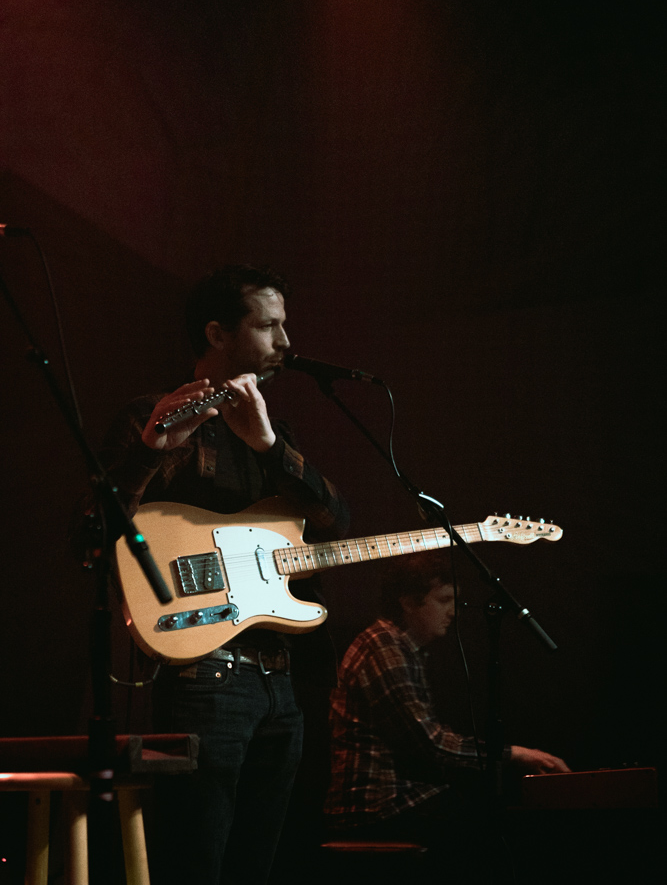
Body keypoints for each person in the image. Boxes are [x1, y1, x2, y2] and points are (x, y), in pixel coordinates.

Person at [98, 264, 349, 885]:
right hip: (202, 675)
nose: (285, 343)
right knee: (197, 860)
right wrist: (151, 450)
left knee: (256, 863)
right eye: (268, 325)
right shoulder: (145, 415)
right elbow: (90, 534)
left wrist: (267, 445)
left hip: (280, 681)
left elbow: (333, 521)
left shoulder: (271, 432)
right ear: (217, 332)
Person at [325, 551, 569, 880]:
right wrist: (514, 755)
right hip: (378, 803)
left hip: (395, 797)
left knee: (499, 814)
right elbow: (430, 743)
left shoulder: (402, 648)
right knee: (504, 827)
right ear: (409, 602)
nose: (453, 612)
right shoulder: (383, 646)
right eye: (443, 600)